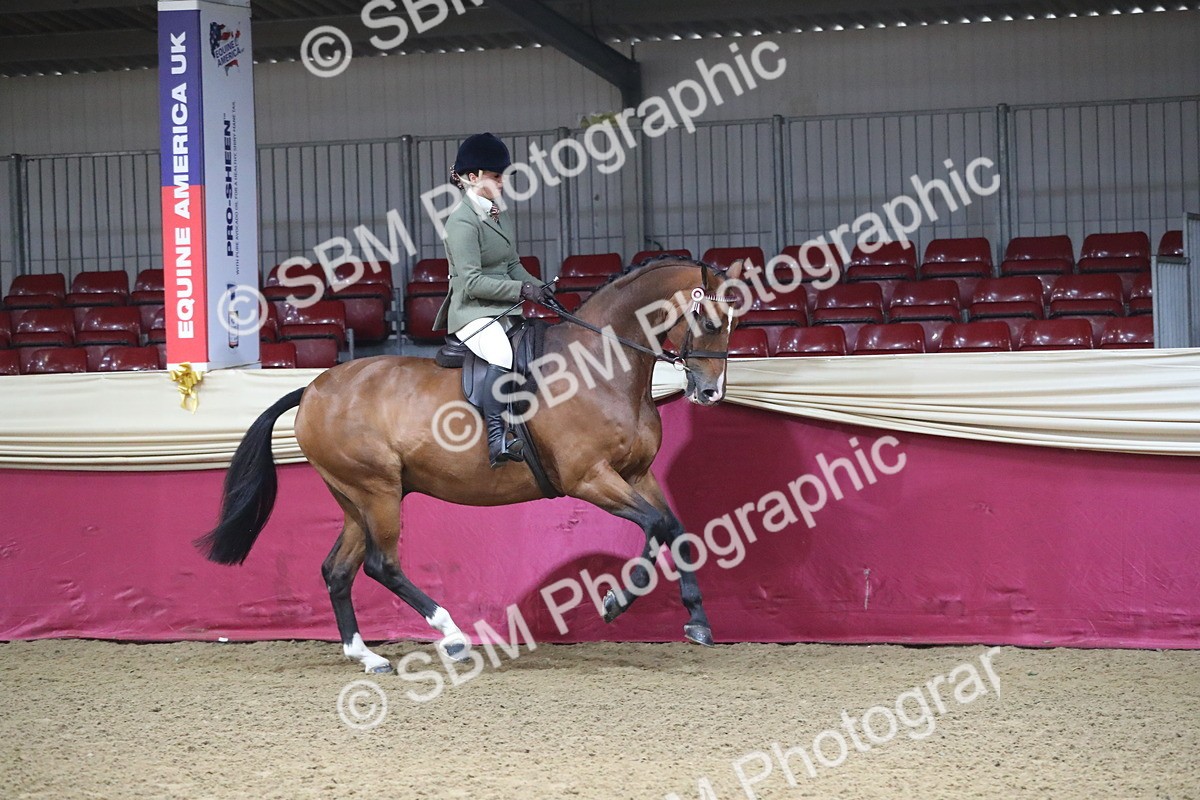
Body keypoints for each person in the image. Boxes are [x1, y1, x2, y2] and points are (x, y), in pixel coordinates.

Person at [432, 132, 555, 467]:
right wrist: (521, 291)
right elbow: (472, 283)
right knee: (501, 352)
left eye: (502, 176)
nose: (502, 183)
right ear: (473, 177)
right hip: (472, 312)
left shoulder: (499, 214)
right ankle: (497, 438)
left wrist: (540, 288)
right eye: (496, 176)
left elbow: (512, 264)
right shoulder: (460, 222)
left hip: (502, 309)